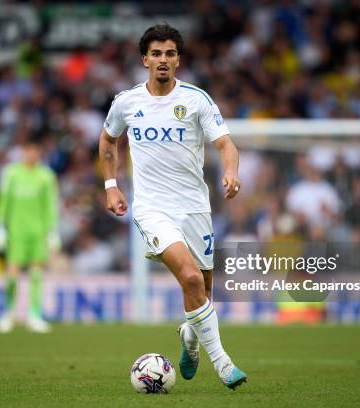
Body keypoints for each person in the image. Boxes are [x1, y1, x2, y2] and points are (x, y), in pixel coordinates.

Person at [98, 24, 247, 389]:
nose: (162, 60)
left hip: (195, 207)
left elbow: (226, 144)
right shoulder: (127, 102)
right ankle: (224, 364)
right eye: (156, 54)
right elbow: (107, 139)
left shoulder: (196, 99)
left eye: (169, 54)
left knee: (202, 291)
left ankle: (190, 338)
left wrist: (230, 172)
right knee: (191, 278)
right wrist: (111, 186)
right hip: (152, 208)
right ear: (144, 59)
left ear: (178, 60)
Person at [0, 134, 60, 333]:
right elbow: (3, 201)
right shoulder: (11, 174)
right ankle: (8, 313)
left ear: (39, 153)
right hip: (16, 231)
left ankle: (34, 314)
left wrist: (52, 231)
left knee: (37, 273)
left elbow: (50, 205)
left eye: (34, 151)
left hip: (38, 232)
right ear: (23, 152)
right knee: (12, 273)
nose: (31, 154)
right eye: (28, 150)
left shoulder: (46, 176)